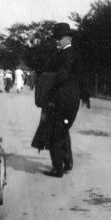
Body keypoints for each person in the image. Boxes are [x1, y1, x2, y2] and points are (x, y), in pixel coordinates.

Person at [31, 22, 90, 177]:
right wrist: (85, 96)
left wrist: (45, 78)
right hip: (71, 101)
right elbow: (82, 77)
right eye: (55, 38)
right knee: (63, 129)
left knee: (54, 133)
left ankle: (58, 168)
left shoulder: (65, 55)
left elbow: (61, 76)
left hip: (61, 100)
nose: (56, 40)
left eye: (58, 38)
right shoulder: (74, 54)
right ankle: (67, 161)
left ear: (68, 38)